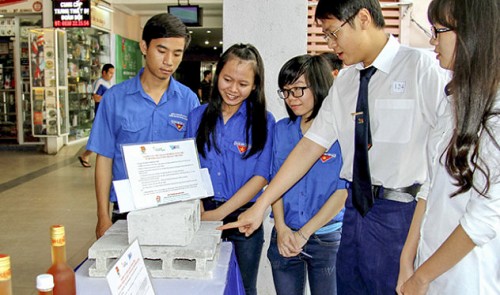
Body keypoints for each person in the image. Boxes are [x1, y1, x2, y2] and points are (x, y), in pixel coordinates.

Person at [219, 0, 448, 293]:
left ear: (363, 18)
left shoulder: (421, 68)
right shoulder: (346, 82)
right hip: (354, 212)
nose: (330, 43)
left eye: (332, 33)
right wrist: (261, 206)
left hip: (400, 213)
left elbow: (446, 154)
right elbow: (309, 147)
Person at [397, 0, 500, 294]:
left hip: (465, 277)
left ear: (470, 34)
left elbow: (483, 219)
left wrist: (421, 277)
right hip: (430, 265)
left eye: (438, 31)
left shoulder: (494, 113)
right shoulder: (454, 100)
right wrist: (408, 258)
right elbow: (431, 185)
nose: (432, 41)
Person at [86, 13, 200, 239]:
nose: (169, 61)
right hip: (126, 211)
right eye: (162, 50)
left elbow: (193, 159)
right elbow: (105, 159)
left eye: (177, 53)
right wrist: (102, 216)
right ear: (144, 47)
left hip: (173, 210)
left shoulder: (188, 101)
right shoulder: (115, 98)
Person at [185, 43, 275, 295]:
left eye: (243, 84)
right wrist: (201, 207)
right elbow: (187, 167)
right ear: (216, 76)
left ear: (255, 85)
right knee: (203, 286)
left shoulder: (264, 122)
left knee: (244, 288)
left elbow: (261, 177)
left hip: (244, 220)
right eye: (227, 79)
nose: (233, 89)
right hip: (202, 214)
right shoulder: (197, 116)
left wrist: (221, 214)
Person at [267, 54, 347, 295]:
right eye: (286, 91)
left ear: (320, 85)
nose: (291, 98)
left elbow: (342, 192)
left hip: (326, 240)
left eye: (299, 90)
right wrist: (281, 228)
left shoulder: (340, 133)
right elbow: (274, 184)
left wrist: (304, 233)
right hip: (284, 235)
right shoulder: (281, 130)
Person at [78, 63, 115, 168]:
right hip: (101, 115)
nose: (112, 75)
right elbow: (96, 97)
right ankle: (85, 155)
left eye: (113, 73)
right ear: (104, 72)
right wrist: (109, 100)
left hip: (108, 114)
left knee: (102, 137)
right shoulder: (100, 82)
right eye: (110, 73)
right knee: (98, 138)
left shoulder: (108, 83)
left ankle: (86, 156)